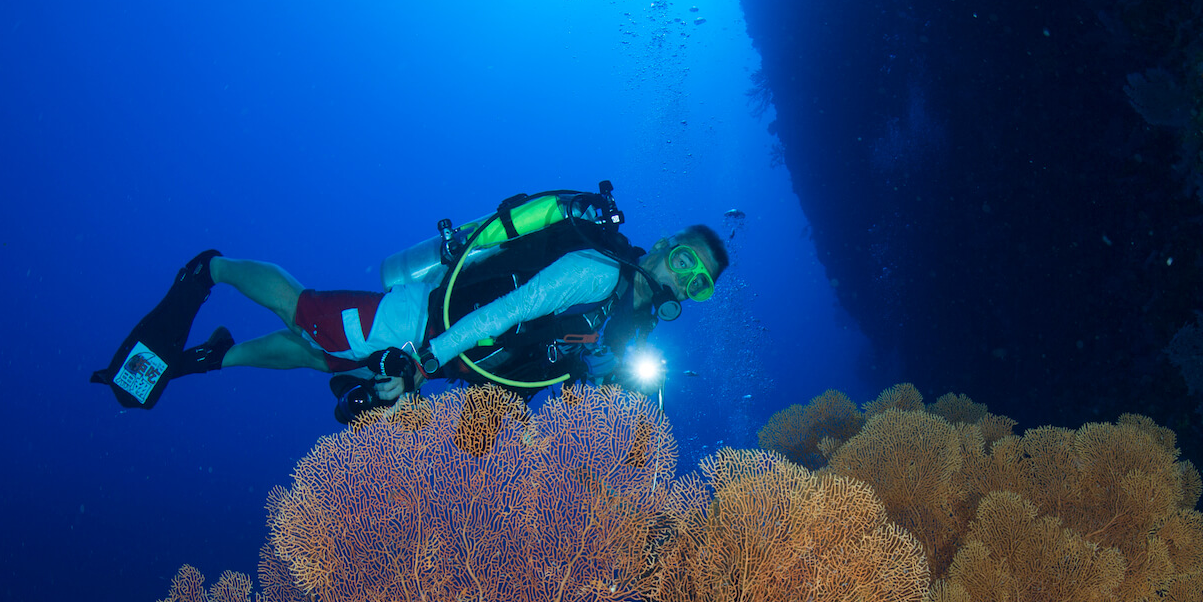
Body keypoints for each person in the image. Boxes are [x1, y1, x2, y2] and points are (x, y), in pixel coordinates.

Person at [92, 184, 728, 422]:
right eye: (686, 262)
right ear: (665, 246)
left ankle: (216, 358)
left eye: (699, 283)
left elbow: (554, 365)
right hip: (425, 322)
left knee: (326, 361)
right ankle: (214, 266)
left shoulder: (627, 327)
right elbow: (511, 310)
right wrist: (423, 358)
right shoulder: (599, 271)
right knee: (308, 316)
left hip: (446, 357)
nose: (686, 280)